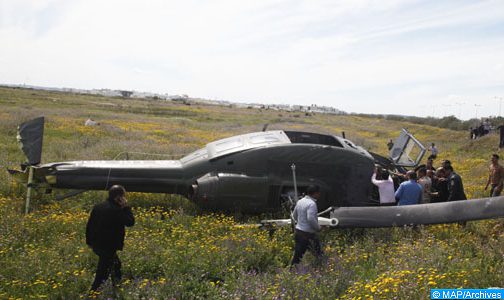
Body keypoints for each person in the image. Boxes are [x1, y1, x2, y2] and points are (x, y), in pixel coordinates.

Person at [86, 185, 135, 291]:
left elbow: (89, 225)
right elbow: (130, 222)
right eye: (123, 196)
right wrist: (126, 207)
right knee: (103, 272)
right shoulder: (116, 210)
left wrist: (89, 242)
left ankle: (116, 288)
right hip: (108, 246)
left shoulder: (98, 206)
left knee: (115, 265)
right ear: (118, 197)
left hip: (97, 244)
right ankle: (94, 292)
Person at [291, 185, 324, 266]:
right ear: (315, 193)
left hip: (298, 233)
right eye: (318, 193)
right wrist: (318, 228)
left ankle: (292, 271)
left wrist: (301, 222)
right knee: (319, 254)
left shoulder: (300, 201)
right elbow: (311, 218)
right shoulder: (312, 204)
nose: (319, 195)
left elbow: (294, 216)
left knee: (297, 256)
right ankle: (322, 269)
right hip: (308, 235)